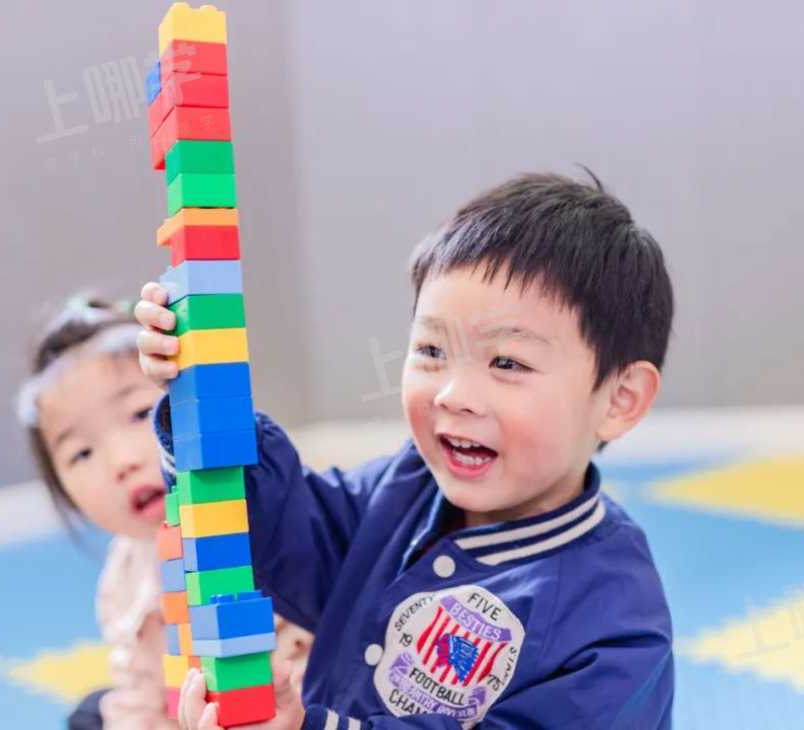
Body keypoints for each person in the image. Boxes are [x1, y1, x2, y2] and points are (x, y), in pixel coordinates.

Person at [136, 172, 676, 729]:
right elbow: (284, 535)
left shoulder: (615, 621)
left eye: (507, 363)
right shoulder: (404, 488)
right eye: (431, 350)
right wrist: (200, 400)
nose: (452, 394)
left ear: (620, 399)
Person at [16, 295, 311, 730]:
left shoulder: (250, 522)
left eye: (139, 414)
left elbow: (307, 659)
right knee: (92, 713)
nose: (120, 462)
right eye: (82, 453)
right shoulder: (123, 574)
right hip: (183, 715)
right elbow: (140, 691)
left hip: (281, 707)